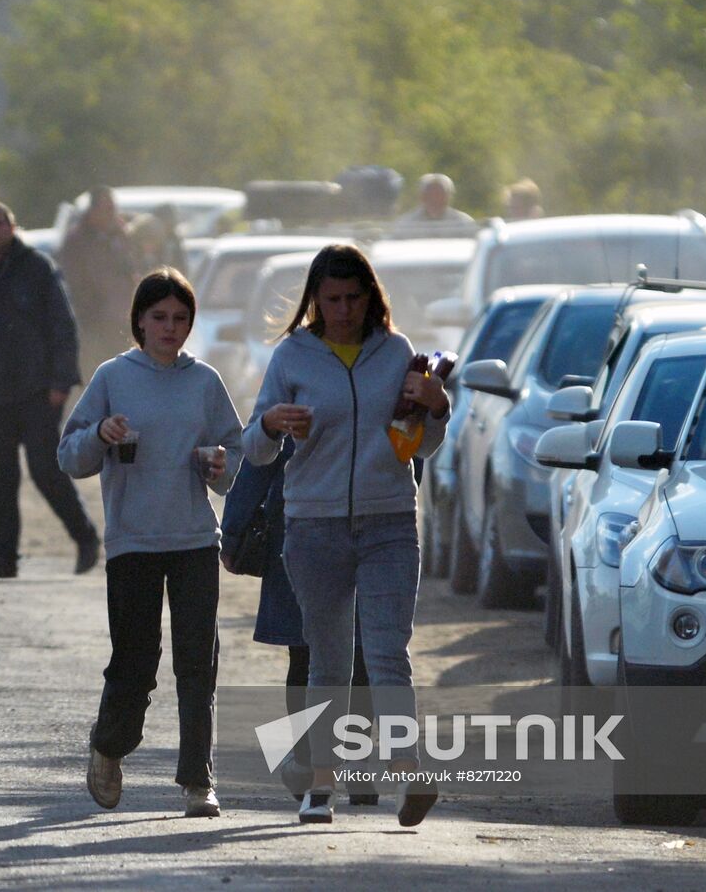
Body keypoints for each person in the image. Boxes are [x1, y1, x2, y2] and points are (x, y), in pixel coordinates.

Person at [242, 243, 450, 827]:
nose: (342, 309)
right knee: (328, 661)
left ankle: (411, 775)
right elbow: (253, 449)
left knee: (388, 653)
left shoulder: (398, 353)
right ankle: (319, 789)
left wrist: (437, 407)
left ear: (370, 297)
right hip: (313, 527)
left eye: (353, 298)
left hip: (388, 523)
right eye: (331, 299)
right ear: (314, 299)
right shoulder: (293, 356)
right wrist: (271, 422)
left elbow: (416, 446)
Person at [58, 268, 243, 818]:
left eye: (180, 318)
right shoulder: (114, 377)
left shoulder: (205, 381)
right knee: (136, 660)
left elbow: (235, 457)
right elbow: (69, 457)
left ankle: (197, 781)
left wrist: (217, 464)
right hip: (132, 541)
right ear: (139, 320)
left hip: (193, 539)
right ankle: (109, 745)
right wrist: (100, 435)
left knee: (197, 662)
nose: (170, 327)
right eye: (159, 317)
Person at [219, 439, 378, 807]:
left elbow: (408, 455)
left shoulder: (384, 382)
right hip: (302, 528)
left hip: (364, 526)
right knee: (311, 649)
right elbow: (263, 446)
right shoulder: (300, 381)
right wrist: (233, 529)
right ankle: (316, 761)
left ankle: (349, 759)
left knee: (358, 651)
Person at [0, 201, 101, 579]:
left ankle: (85, 538)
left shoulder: (38, 268)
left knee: (46, 470)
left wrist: (61, 381)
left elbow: (63, 327)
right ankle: (5, 558)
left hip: (39, 391)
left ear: (12, 226)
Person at [59, 185, 137, 370]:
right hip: (93, 323)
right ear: (94, 210)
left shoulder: (120, 234)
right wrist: (93, 308)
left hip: (123, 321)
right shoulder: (77, 240)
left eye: (113, 207)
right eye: (107, 208)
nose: (111, 212)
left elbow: (131, 267)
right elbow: (74, 281)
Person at [398, 173, 474, 224]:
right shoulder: (406, 223)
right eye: (430, 193)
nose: (435, 198)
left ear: (449, 196)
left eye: (439, 194)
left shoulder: (463, 222)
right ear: (422, 196)